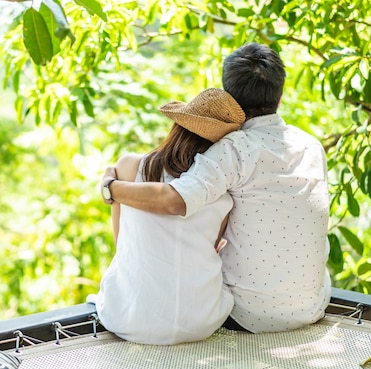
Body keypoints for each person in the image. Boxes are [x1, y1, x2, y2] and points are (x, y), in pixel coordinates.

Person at [100, 43, 331, 333]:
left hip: (246, 315)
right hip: (311, 306)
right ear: (280, 97)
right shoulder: (312, 146)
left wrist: (112, 188)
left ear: (229, 98)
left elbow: (176, 200)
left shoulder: (234, 148)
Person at [90, 88, 246, 345]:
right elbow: (212, 248)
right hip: (202, 320)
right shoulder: (223, 194)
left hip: (130, 318)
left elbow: (122, 246)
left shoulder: (129, 167)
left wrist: (109, 181)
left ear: (177, 129)